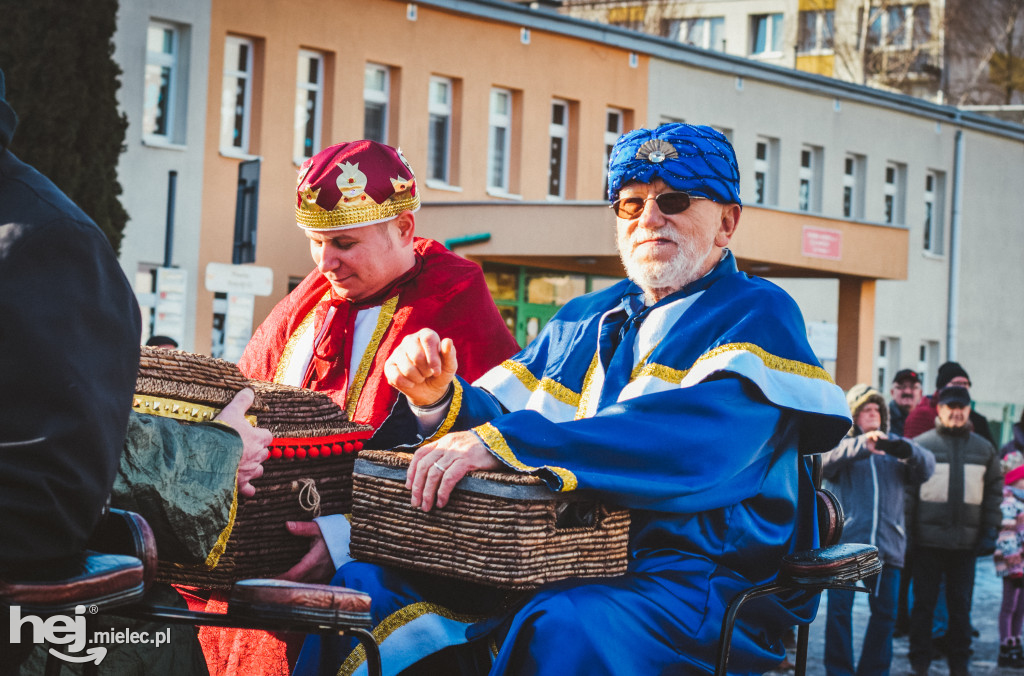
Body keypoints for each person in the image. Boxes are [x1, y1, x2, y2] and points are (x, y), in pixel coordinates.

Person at [293, 122, 854, 676]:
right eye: (630, 206)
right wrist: (439, 401)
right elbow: (502, 419)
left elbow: (693, 445)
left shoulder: (758, 313)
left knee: (561, 625)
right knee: (363, 591)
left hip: (690, 579)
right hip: (546, 563)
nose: (649, 219)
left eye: (674, 201)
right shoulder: (583, 317)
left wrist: (505, 443)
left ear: (727, 223)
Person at [196, 140, 518, 675]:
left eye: (344, 242)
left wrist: (345, 537)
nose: (326, 263)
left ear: (404, 229)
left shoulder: (453, 301)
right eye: (316, 242)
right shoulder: (305, 304)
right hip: (266, 560)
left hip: (389, 569)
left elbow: (482, 465)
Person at [0, 68, 272, 675]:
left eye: (347, 244)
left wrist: (212, 450)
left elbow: (46, 482)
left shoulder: (43, 240)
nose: (329, 259)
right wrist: (212, 451)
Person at [821, 384, 934, 676]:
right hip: (846, 548)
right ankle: (839, 671)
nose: (872, 414)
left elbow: (927, 467)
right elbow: (822, 463)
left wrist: (908, 451)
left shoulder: (895, 445)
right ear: (854, 416)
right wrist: (862, 446)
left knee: (885, 616)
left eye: (876, 410)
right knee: (838, 614)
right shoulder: (841, 444)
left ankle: (873, 671)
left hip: (887, 547)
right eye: (865, 410)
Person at [906, 385, 1002, 676]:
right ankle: (919, 662)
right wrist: (908, 535)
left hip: (965, 546)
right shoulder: (921, 445)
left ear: (969, 410)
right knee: (923, 607)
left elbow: (994, 495)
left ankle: (959, 664)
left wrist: (989, 532)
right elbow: (908, 493)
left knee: (961, 609)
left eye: (962, 407)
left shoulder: (984, 449)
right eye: (951, 407)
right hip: (927, 544)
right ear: (940, 409)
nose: (957, 412)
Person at [904, 361, 994, 444]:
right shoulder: (922, 415)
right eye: (957, 383)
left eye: (965, 384)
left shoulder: (977, 420)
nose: (962, 387)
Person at [995, 456, 1024, 668]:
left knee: (1021, 606)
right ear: (1014, 481)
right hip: (1013, 565)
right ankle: (1005, 645)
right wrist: (1014, 565)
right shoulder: (1009, 503)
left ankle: (1016, 641)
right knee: (1009, 605)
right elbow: (1006, 535)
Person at [889, 368, 923, 437]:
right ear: (892, 392)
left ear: (920, 393)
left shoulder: (926, 420)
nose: (907, 391)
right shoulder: (883, 419)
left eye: (913, 387)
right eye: (901, 387)